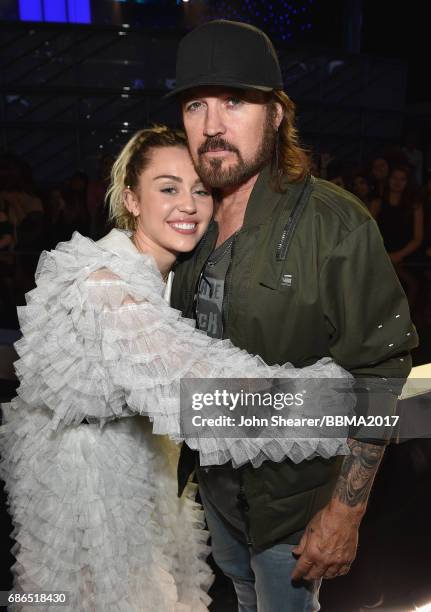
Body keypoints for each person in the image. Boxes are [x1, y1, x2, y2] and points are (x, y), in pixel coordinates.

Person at [0, 126, 353, 612]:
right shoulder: (102, 280)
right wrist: (342, 402)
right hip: (88, 490)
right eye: (168, 188)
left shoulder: (176, 276)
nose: (188, 204)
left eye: (200, 190)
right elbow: (195, 386)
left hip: (146, 465)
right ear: (132, 198)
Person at [168, 20, 418, 611]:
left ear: (277, 114)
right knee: (243, 593)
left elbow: (380, 372)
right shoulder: (188, 219)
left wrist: (345, 512)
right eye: (196, 105)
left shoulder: (334, 222)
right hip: (218, 495)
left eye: (235, 101)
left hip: (294, 512)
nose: (212, 126)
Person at [369, 165, 424, 264]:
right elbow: (369, 233)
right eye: (394, 178)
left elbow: (417, 238)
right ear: (388, 179)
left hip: (407, 255)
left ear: (407, 182)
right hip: (380, 254)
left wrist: (399, 255)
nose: (397, 182)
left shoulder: (414, 205)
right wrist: (383, 254)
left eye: (402, 179)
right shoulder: (377, 203)